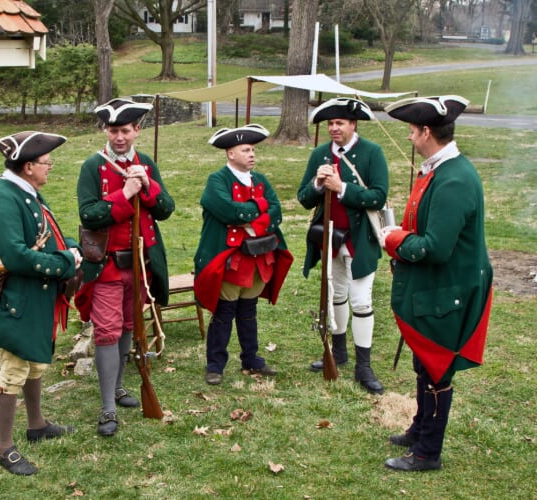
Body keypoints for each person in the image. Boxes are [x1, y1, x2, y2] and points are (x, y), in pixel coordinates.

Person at [381, 95, 493, 471]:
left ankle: (428, 452)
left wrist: (393, 239)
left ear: (427, 132)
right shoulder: (440, 170)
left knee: (437, 368)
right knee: (424, 362)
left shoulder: (454, 179)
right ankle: (420, 428)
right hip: (438, 285)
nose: (409, 136)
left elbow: (436, 247)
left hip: (451, 287)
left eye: (412, 130)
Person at [0, 131, 81, 476]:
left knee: (34, 363)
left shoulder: (23, 190)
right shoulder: (1, 198)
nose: (50, 166)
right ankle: (5, 449)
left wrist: (70, 248)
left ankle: (36, 424)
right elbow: (15, 256)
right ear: (27, 166)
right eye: (46, 162)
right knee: (13, 370)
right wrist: (65, 263)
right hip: (16, 298)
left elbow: (46, 234)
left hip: (33, 294)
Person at [75, 98, 175, 436]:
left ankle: (119, 388)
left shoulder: (145, 163)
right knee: (107, 331)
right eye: (113, 130)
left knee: (130, 326)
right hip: (107, 265)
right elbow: (88, 214)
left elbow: (166, 209)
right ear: (106, 131)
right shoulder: (93, 166)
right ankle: (107, 408)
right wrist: (125, 193)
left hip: (140, 264)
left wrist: (147, 185)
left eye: (126, 131)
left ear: (137, 131)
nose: (119, 137)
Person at [297, 98, 389, 394]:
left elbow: (378, 195)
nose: (334, 128)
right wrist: (317, 184)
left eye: (340, 123)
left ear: (353, 124)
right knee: (336, 295)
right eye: (330, 124)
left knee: (361, 301)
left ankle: (364, 366)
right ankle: (338, 352)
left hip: (360, 239)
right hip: (329, 239)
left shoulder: (372, 152)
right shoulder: (320, 154)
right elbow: (303, 198)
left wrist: (343, 189)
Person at [194, 124, 293, 385]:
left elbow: (276, 211)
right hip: (231, 259)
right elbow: (229, 211)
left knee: (249, 311)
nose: (252, 154)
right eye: (245, 150)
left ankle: (251, 358)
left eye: (252, 150)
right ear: (230, 153)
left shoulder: (260, 180)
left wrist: (251, 220)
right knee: (224, 312)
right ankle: (215, 365)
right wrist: (258, 208)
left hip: (258, 257)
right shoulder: (217, 180)